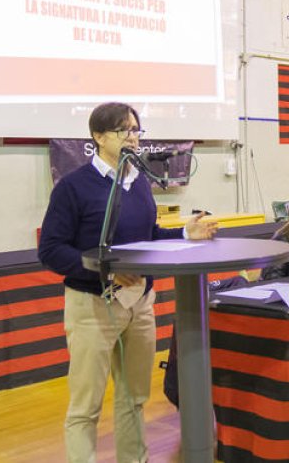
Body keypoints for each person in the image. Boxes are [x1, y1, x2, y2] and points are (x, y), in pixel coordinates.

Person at [38, 102, 217, 463]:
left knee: (133, 399)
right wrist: (104, 270)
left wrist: (186, 232)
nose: (133, 137)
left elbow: (148, 236)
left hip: (140, 304)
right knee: (85, 407)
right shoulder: (73, 188)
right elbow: (51, 250)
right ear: (98, 137)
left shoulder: (139, 184)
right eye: (124, 130)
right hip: (92, 306)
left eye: (136, 129)